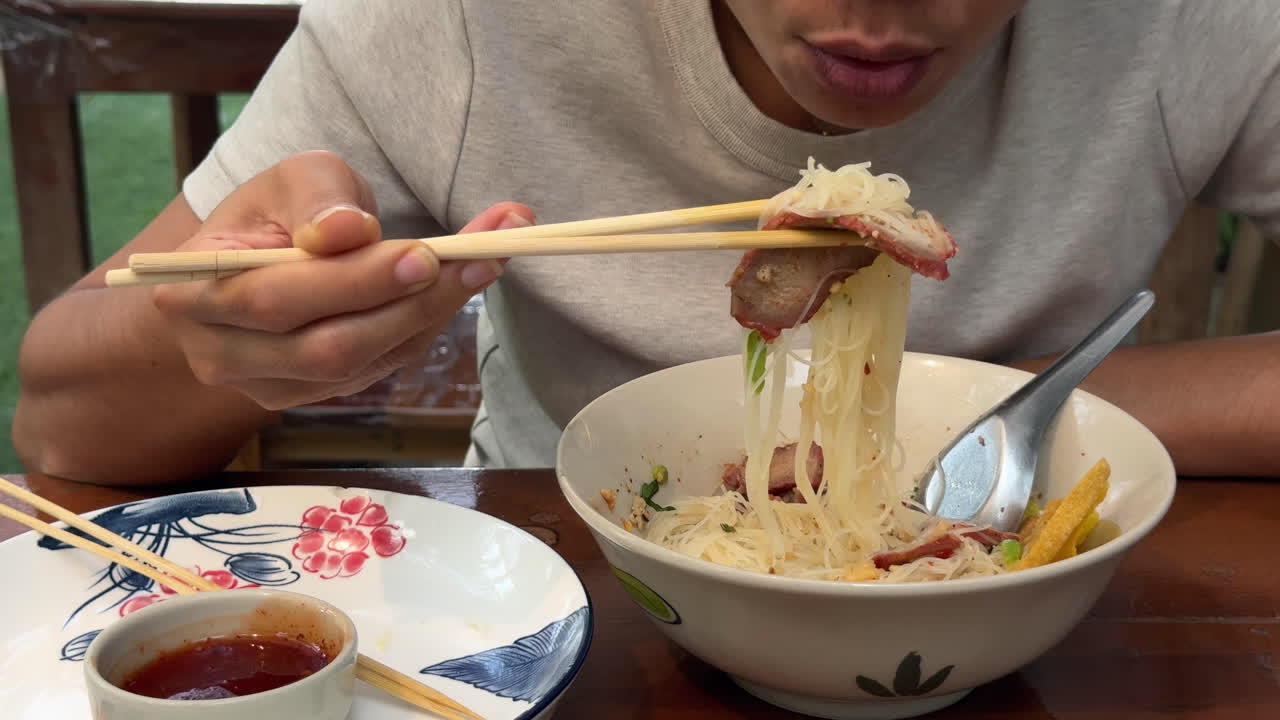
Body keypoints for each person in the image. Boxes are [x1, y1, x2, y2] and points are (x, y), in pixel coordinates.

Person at [12, 0, 1280, 485]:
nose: (886, 8)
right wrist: (232, 342)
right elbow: (60, 425)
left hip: (1029, 578)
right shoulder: (456, 20)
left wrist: (1044, 413)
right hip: (571, 578)